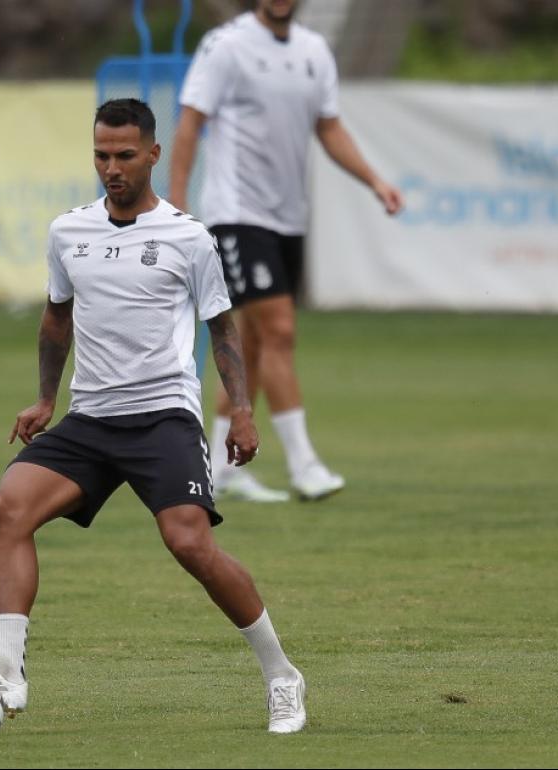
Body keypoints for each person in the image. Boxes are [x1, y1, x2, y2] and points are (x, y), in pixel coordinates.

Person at [0, 98, 307, 734]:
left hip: (163, 418)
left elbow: (223, 329)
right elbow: (56, 317)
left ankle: (282, 675)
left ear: (153, 153)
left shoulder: (188, 236)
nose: (112, 167)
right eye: (101, 155)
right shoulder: (68, 230)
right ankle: (6, 671)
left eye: (125, 155)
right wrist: (45, 398)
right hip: (91, 420)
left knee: (189, 543)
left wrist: (241, 413)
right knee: (6, 509)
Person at [169, 0, 403, 502]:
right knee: (278, 330)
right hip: (237, 213)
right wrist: (179, 207)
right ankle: (304, 465)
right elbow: (190, 123)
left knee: (252, 342)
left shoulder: (315, 51)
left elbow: (330, 128)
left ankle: (222, 469)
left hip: (288, 218)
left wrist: (375, 181)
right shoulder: (226, 45)